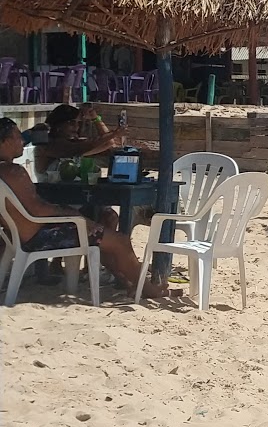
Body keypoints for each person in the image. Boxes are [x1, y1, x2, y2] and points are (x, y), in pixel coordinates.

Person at [0, 118, 154, 296]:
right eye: (18, 136)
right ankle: (148, 290)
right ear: (5, 141)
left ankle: (130, 283)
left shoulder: (6, 172)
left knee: (107, 234)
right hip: (41, 237)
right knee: (120, 241)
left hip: (20, 235)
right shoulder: (14, 172)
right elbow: (38, 210)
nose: (22, 141)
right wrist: (75, 215)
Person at [31, 103, 125, 173]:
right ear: (58, 125)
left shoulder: (73, 143)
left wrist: (95, 118)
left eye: (78, 123)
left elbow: (108, 144)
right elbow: (80, 147)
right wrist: (113, 134)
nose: (76, 127)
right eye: (72, 123)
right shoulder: (47, 144)